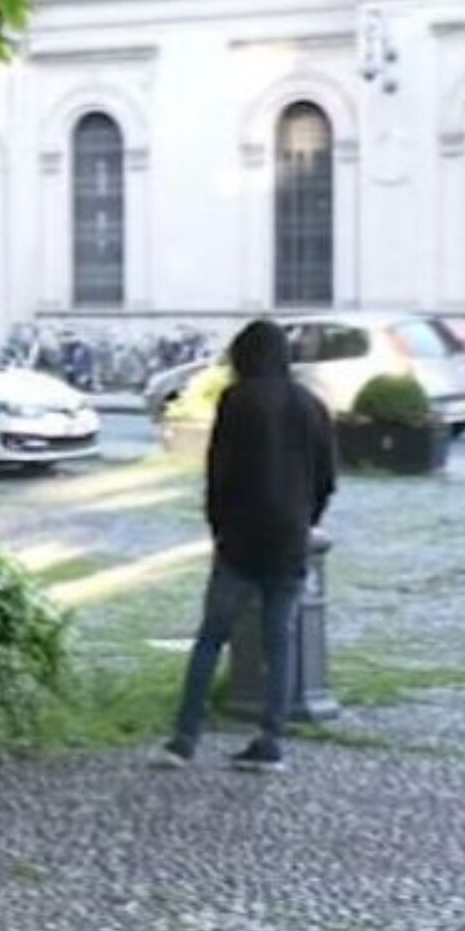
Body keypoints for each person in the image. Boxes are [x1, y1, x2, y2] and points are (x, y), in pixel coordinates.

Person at [157, 319, 336, 773]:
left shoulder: (238, 401)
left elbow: (221, 474)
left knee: (211, 639)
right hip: (289, 540)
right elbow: (327, 479)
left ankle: (184, 738)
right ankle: (271, 739)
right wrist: (304, 519)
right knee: (281, 644)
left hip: (239, 540)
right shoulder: (311, 406)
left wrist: (219, 528)